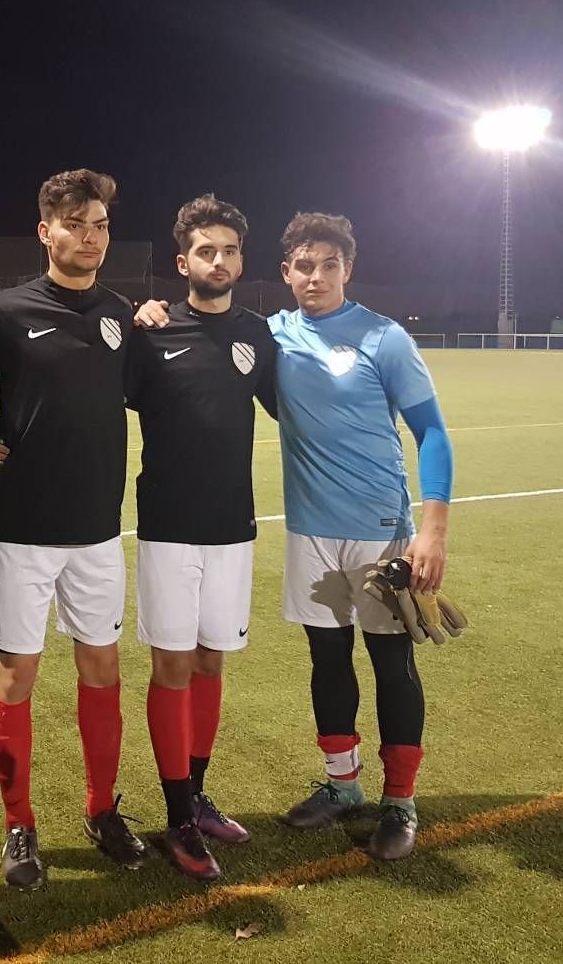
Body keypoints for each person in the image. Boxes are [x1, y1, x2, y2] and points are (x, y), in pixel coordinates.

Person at [0, 168, 146, 891]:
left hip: (99, 529)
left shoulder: (122, 313)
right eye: (75, 224)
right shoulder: (5, 312)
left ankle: (102, 810)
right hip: (23, 530)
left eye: (100, 225)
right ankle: (20, 825)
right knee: (18, 673)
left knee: (102, 668)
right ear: (45, 231)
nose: (90, 237)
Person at [269, 212, 454, 862]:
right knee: (327, 661)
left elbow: (432, 432)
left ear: (348, 269)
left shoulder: (385, 337)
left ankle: (399, 800)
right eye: (303, 265)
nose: (314, 276)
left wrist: (431, 532)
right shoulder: (275, 335)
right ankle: (343, 787)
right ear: (286, 271)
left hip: (381, 533)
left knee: (391, 663)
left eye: (328, 264)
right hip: (309, 532)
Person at [124, 194, 278, 881]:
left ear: (241, 261)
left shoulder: (258, 334)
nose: (219, 261)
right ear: (182, 261)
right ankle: (177, 816)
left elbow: (296, 410)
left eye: (230, 250)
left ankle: (198, 795)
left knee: (214, 662)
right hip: (167, 526)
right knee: (172, 667)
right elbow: (94, 402)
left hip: (232, 527)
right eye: (205, 250)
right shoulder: (150, 331)